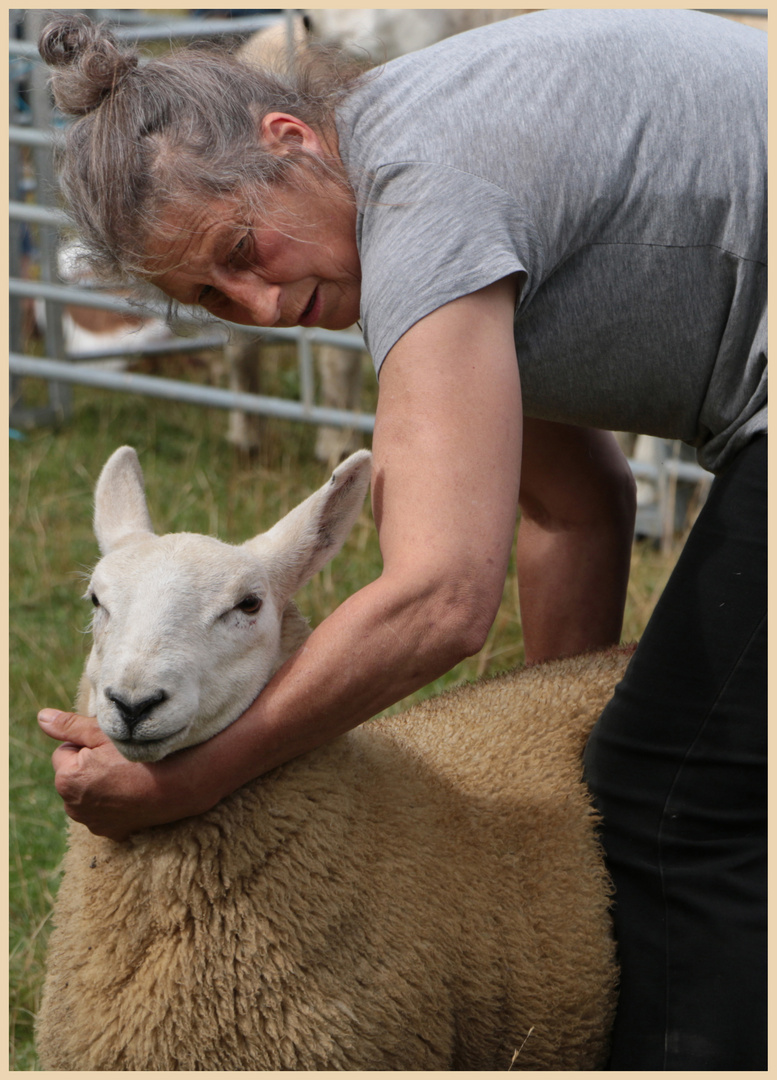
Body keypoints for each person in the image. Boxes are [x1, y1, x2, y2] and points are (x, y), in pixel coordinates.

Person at [36, 10, 766, 1070]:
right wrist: (548, 772)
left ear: (290, 140)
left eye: (243, 250)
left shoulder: (422, 201)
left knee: (676, 797)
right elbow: (574, 504)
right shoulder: (422, 179)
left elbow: (440, 599)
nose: (262, 303)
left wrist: (188, 784)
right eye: (210, 296)